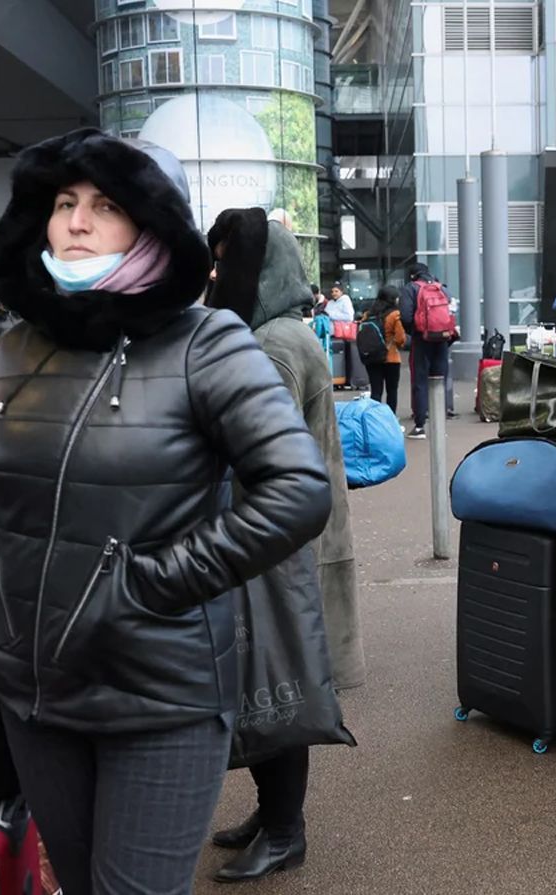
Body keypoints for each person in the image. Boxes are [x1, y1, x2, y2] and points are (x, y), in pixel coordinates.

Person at [0, 128, 331, 895]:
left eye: (105, 205)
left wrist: (146, 585)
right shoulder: (20, 348)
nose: (76, 222)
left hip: (160, 696)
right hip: (34, 689)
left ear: (152, 224)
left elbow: (296, 489)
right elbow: (6, 508)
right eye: (64, 203)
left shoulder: (207, 342)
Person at [205, 206, 361, 883]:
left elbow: (252, 454)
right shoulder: (284, 332)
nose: (212, 274)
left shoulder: (269, 344)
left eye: (221, 260)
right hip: (289, 537)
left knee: (279, 687)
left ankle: (286, 830)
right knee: (271, 682)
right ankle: (271, 814)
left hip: (277, 545)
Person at [401, 261, 456, 439]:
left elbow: (406, 316)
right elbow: (451, 312)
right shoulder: (442, 288)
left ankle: (419, 426)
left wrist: (415, 332)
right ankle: (440, 426)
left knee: (420, 382)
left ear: (412, 275)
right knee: (440, 380)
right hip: (442, 340)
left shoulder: (411, 288)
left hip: (422, 340)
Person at [361, 285, 408, 412]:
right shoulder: (394, 315)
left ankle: (375, 419)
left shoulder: (368, 314)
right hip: (391, 358)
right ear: (392, 299)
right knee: (391, 391)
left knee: (376, 391)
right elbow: (400, 338)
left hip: (372, 357)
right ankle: (390, 419)